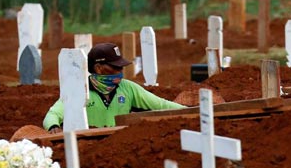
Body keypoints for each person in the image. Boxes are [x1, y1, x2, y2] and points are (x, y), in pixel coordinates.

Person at [43, 42, 186, 131]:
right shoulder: (78, 90)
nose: (120, 71)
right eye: (115, 67)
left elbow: (161, 105)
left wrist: (191, 111)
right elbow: (53, 114)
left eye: (121, 67)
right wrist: (53, 126)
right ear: (99, 68)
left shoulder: (128, 88)